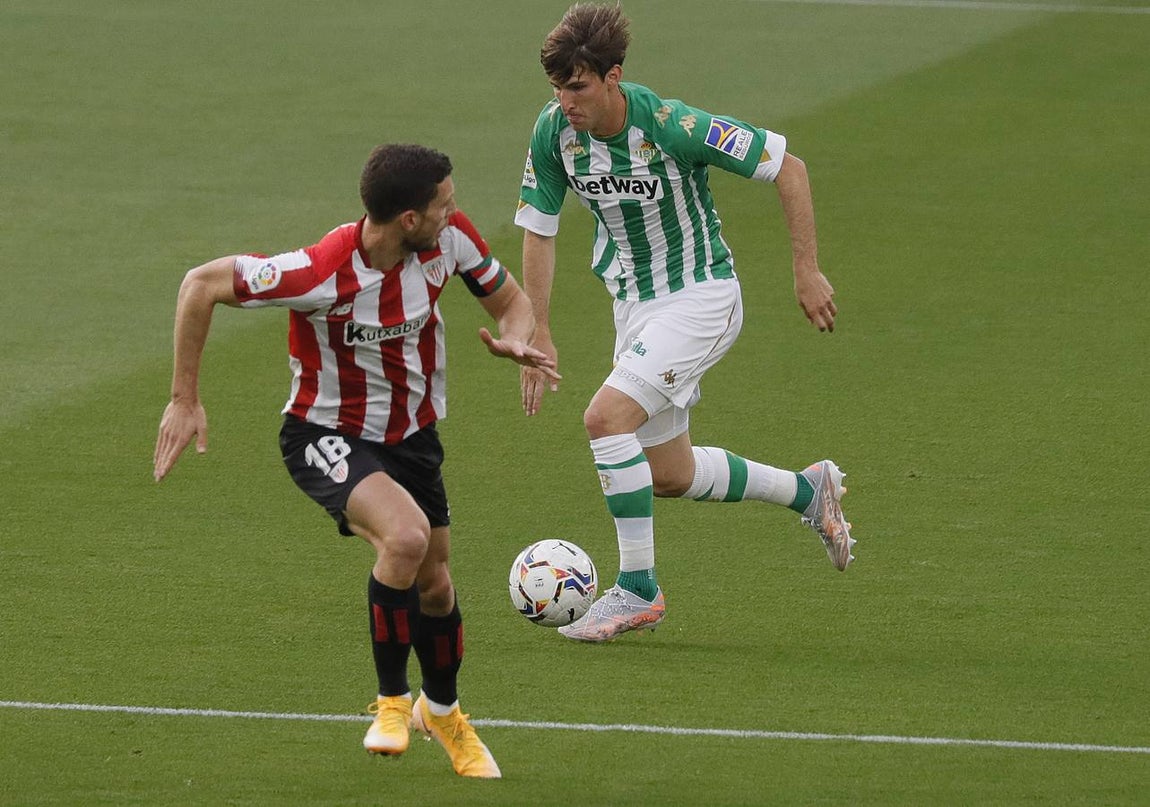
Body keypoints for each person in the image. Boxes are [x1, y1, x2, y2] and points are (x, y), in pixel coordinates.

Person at [154, 143, 559, 778]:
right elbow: (200, 284)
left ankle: (443, 712)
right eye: (443, 207)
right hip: (325, 432)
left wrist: (515, 336)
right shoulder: (319, 271)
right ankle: (393, 703)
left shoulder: (447, 243)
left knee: (435, 581)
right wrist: (185, 398)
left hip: (413, 437)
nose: (455, 215)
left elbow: (509, 300)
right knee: (404, 538)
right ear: (407, 220)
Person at [515, 3, 855, 643]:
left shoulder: (672, 124)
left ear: (614, 76)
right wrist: (538, 330)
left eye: (579, 87)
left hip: (701, 296)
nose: (566, 102)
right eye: (558, 88)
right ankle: (808, 492)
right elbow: (539, 228)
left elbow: (788, 165)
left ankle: (637, 590)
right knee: (667, 474)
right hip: (635, 307)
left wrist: (805, 269)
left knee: (604, 418)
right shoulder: (554, 132)